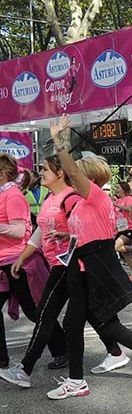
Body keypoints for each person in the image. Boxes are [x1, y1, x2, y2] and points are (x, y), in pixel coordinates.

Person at [30, 117, 132, 399]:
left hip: (95, 266)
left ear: (89, 177)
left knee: (104, 322)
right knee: (79, 324)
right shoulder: (82, 203)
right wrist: (63, 234)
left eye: (77, 174)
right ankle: (78, 380)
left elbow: (71, 170)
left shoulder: (95, 195)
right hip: (80, 266)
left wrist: (59, 142)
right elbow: (83, 233)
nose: (72, 177)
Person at [0, 155, 129, 387]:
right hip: (58, 263)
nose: (40, 172)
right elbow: (40, 231)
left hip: (68, 264)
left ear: (60, 173)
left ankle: (28, 370)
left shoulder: (73, 198)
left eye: (45, 169)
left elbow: (83, 231)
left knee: (48, 314)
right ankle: (119, 354)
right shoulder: (51, 198)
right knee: (87, 316)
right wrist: (23, 257)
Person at [0, 156, 64, 372]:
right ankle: (2, 359)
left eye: (45, 169)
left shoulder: (13, 195)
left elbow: (19, 231)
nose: (41, 172)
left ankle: (62, 350)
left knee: (34, 310)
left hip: (18, 262)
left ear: (2, 174)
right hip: (4, 262)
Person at [113, 180, 132, 277]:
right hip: (120, 228)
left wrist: (117, 205)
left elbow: (129, 208)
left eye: (118, 188)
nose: (116, 190)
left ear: (124, 189)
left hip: (129, 228)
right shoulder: (117, 200)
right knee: (125, 254)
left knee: (115, 247)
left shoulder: (129, 198)